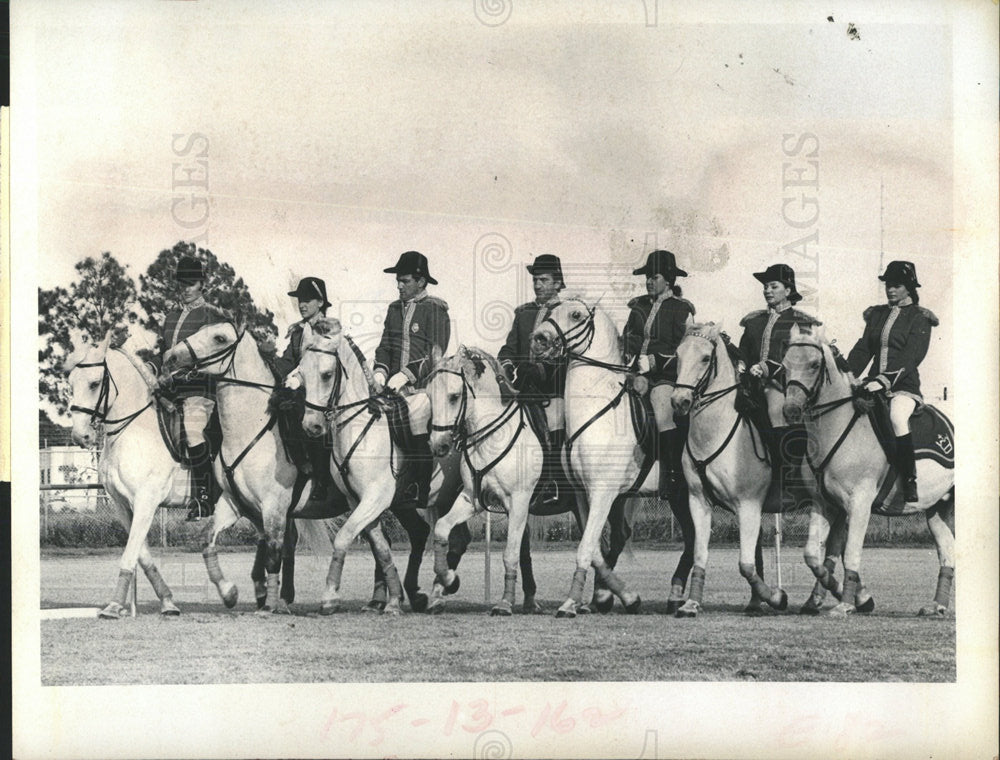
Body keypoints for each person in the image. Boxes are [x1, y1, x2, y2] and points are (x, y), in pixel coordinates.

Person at [847, 260, 938, 503]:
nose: (890, 290)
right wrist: (846, 373)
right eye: (888, 285)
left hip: (903, 387)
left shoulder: (920, 318)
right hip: (872, 383)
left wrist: (884, 381)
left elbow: (912, 357)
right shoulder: (877, 315)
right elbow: (863, 349)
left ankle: (909, 479)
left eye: (896, 285)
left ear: (909, 287)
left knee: (897, 418)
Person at [373, 250, 451, 507]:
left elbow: (435, 352)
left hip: (424, 388)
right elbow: (385, 345)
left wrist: (406, 375)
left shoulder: (435, 309)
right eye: (398, 280)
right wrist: (381, 370)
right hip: (392, 387)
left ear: (421, 282)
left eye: (404, 281)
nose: (399, 285)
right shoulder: (394, 309)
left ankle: (419, 485)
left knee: (416, 415)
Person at [737, 263, 820, 495]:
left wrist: (766, 368)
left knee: (775, 408)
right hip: (749, 384)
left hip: (783, 384)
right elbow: (744, 349)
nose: (767, 290)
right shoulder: (754, 321)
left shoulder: (801, 322)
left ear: (788, 289)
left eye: (773, 286)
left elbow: (800, 360)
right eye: (765, 286)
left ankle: (782, 476)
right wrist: (741, 363)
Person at [158, 255, 230, 521]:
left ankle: (203, 497)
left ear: (201, 284)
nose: (185, 288)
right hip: (167, 390)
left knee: (193, 430)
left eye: (191, 283)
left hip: (198, 391)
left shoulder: (211, 315)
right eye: (182, 283)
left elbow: (211, 358)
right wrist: (155, 372)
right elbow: (161, 352)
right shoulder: (171, 316)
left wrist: (179, 378)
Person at [497, 254, 570, 507]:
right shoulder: (524, 314)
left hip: (551, 390)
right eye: (535, 280)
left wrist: (539, 370)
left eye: (543, 280)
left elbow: (567, 358)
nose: (537, 285)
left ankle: (553, 482)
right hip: (522, 390)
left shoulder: (566, 313)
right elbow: (509, 348)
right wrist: (507, 367)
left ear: (558, 283)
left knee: (555, 421)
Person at [623, 250, 696, 500]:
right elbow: (629, 339)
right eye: (647, 277)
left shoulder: (681, 309)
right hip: (634, 373)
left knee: (663, 409)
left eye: (654, 277)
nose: (649, 282)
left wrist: (653, 363)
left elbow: (685, 350)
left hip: (666, 376)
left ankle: (673, 473)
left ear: (669, 280)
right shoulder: (638, 307)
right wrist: (630, 364)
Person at [272, 276, 336, 506]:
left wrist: (298, 379)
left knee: (308, 411)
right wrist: (268, 366)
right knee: (278, 403)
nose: (301, 304)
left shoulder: (330, 329)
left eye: (307, 299)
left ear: (320, 302)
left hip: (324, 389)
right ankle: (295, 465)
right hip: (302, 388)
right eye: (300, 299)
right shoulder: (298, 332)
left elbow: (320, 363)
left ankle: (321, 477)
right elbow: (287, 361)